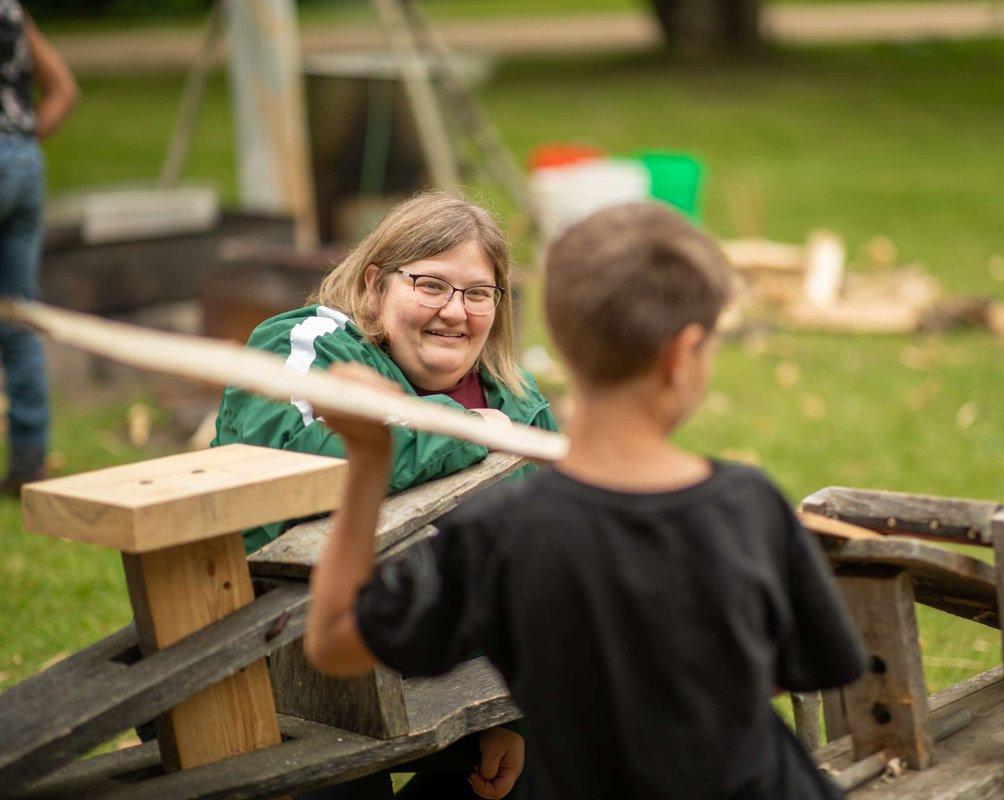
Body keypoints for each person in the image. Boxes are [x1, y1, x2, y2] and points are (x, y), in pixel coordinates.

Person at [304, 201, 869, 799]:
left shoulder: (501, 532)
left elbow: (334, 643)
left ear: (564, 344)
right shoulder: (749, 507)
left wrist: (368, 462)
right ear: (684, 357)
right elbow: (816, 667)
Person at [212, 192, 557, 799]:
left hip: (459, 683)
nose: (455, 312)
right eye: (430, 285)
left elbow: (552, 571)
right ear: (375, 284)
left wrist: (512, 718)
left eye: (478, 293)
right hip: (290, 681)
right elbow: (298, 469)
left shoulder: (515, 399)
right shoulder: (308, 345)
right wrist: (461, 431)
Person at [0, 1, 77, 494]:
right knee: (18, 315)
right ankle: (29, 460)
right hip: (24, 163)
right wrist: (19, 149)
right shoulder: (11, 10)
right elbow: (64, 90)